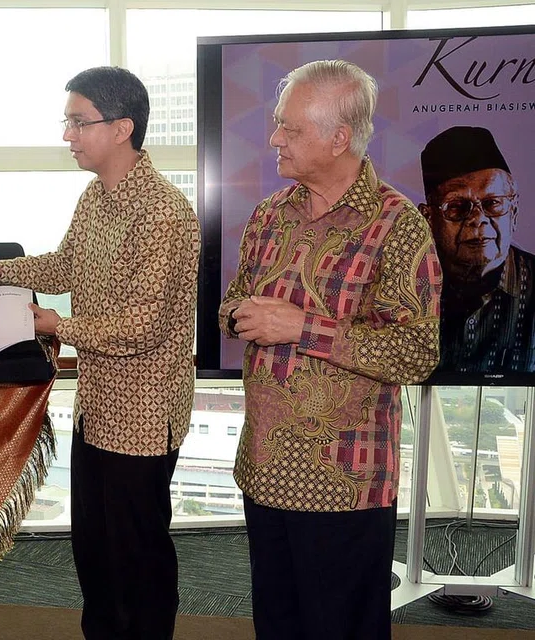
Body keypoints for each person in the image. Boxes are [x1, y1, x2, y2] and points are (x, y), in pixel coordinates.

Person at [0, 66, 199, 640]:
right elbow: (65, 266)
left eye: (77, 122)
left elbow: (143, 325)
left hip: (141, 414)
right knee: (94, 549)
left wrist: (54, 321)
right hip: (97, 407)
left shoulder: (163, 212)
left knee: (137, 556)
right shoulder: (96, 197)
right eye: (67, 121)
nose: (67, 135)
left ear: (122, 128)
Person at [219, 60, 441, 640]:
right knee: (278, 625)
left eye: (289, 130)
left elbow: (417, 352)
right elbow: (233, 304)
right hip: (265, 470)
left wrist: (301, 327)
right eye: (275, 125)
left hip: (344, 482)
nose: (273, 139)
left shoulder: (398, 226)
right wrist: (243, 315)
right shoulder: (271, 213)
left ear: (339, 138)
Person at [418, 125, 535, 373]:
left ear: (513, 212)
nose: (478, 219)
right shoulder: (409, 287)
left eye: (493, 204)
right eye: (457, 206)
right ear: (428, 218)